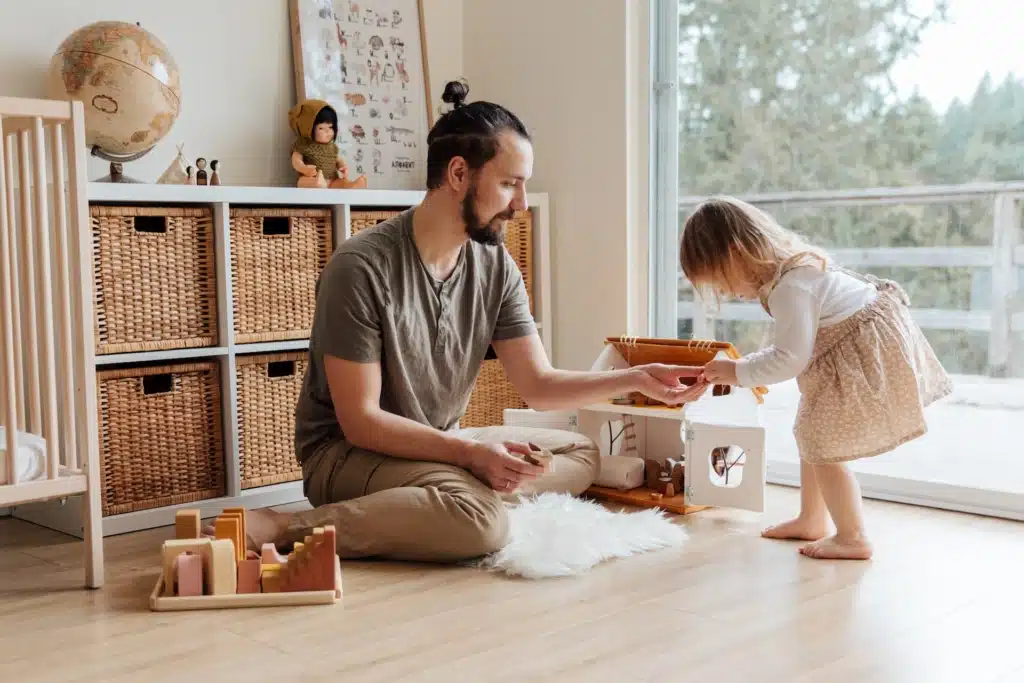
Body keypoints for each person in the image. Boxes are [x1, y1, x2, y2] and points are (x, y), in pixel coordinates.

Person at [231, 80, 708, 563]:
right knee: (482, 524)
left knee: (580, 455)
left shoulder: (495, 266)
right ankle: (288, 526)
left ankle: (439, 498)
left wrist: (636, 378)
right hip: (348, 455)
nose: (521, 203)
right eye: (509, 183)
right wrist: (468, 457)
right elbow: (361, 422)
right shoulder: (361, 267)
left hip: (441, 444)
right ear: (459, 173)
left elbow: (538, 386)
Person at [679, 196, 953, 560]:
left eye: (723, 282)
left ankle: (853, 536)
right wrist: (741, 367)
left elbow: (789, 358)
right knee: (812, 433)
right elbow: (791, 350)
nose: (728, 293)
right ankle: (812, 519)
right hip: (851, 346)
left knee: (822, 442)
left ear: (736, 252)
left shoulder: (792, 287)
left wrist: (737, 371)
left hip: (861, 354)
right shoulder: (790, 275)